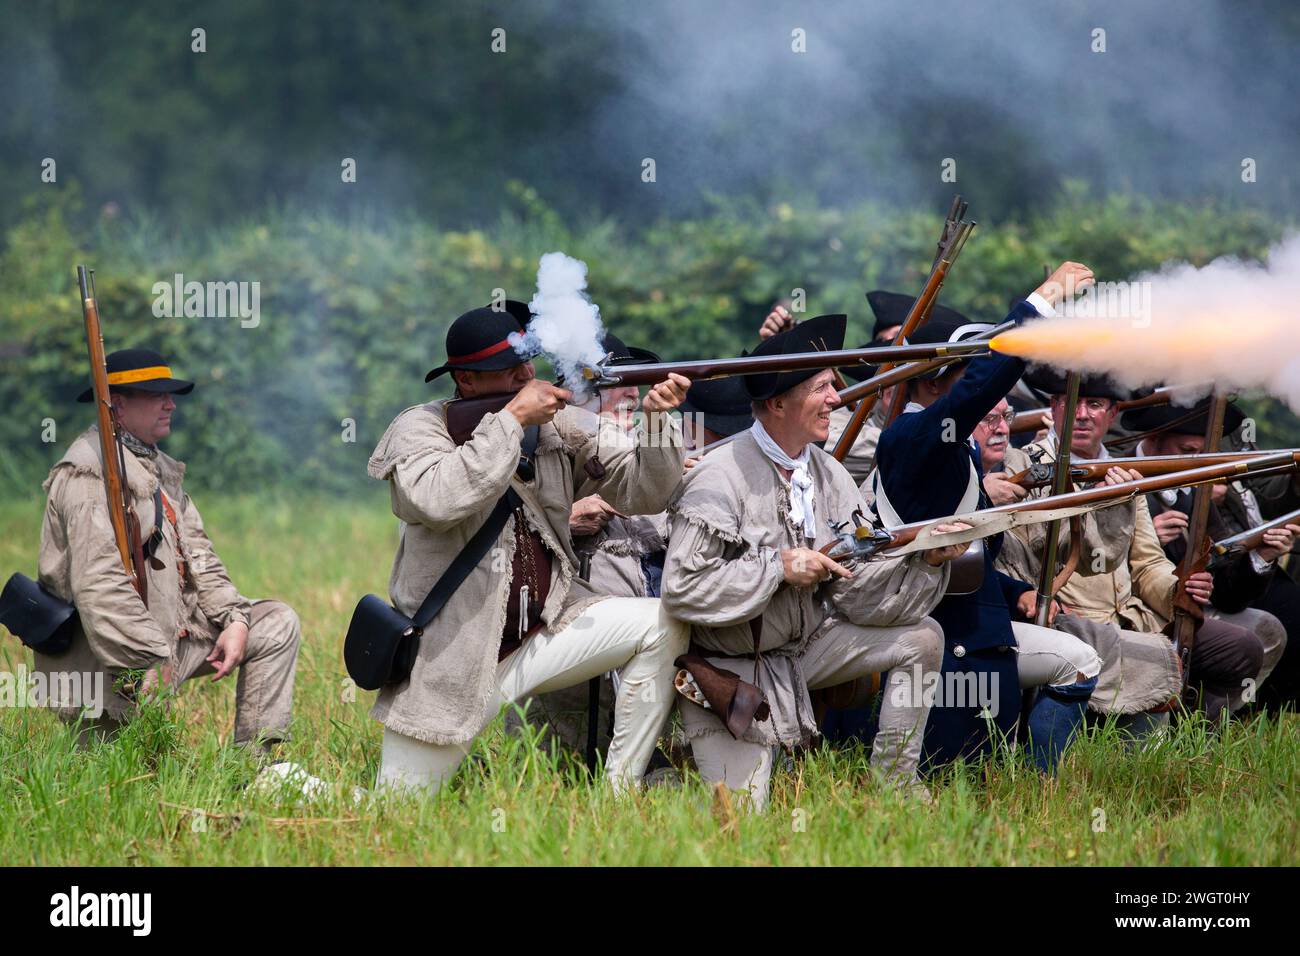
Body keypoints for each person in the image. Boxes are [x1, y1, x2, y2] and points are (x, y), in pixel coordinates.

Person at [368, 301, 691, 794]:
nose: (526, 375)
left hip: (546, 628)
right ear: (467, 382)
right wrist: (513, 420)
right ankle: (280, 782)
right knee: (393, 809)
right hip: (457, 653)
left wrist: (654, 421)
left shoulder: (557, 426)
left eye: (527, 363)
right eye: (508, 370)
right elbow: (436, 499)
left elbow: (642, 491)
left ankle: (620, 790)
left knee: (663, 621)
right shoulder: (422, 427)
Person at [662, 314, 969, 810]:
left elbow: (856, 587)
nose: (836, 399)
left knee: (923, 638)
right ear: (777, 403)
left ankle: (895, 786)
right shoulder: (719, 475)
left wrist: (926, 559)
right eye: (822, 387)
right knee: (738, 818)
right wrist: (778, 568)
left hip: (805, 648)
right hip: (730, 667)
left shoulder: (828, 473)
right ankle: (663, 779)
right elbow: (681, 588)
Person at [869, 263, 1104, 772]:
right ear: (935, 385)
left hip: (979, 622)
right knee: (961, 773)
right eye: (963, 375)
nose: (975, 391)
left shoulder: (950, 443)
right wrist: (1042, 299)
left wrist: (1008, 589)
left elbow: (969, 558)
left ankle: (1038, 782)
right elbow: (979, 387)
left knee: (1078, 661)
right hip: (950, 636)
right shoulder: (913, 438)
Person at [32, 349, 301, 748]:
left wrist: (235, 619)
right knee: (130, 791)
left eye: (169, 395)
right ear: (118, 404)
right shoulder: (87, 474)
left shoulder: (156, 467)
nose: (170, 403)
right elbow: (97, 586)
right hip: (108, 667)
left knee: (275, 624)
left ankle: (258, 769)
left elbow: (201, 559)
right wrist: (148, 659)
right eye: (156, 394)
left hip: (167, 645)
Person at [999, 376, 1266, 725]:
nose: (1082, 414)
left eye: (1094, 404)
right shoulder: (1022, 464)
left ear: (1111, 414)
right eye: (1071, 402)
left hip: (1134, 615)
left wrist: (1176, 588)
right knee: (1152, 661)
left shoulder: (1125, 474)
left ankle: (1193, 738)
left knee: (1241, 648)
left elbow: (1147, 562)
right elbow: (1033, 550)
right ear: (1053, 407)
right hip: (1069, 617)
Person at [1126, 400, 1291, 712]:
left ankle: (1204, 725)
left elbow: (1228, 593)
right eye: (1185, 450)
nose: (1194, 462)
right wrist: (1144, 538)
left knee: (1267, 629)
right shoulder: (1118, 476)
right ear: (1154, 440)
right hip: (1136, 610)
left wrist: (1262, 554)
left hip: (1191, 610)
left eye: (1198, 453)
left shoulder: (1194, 487)